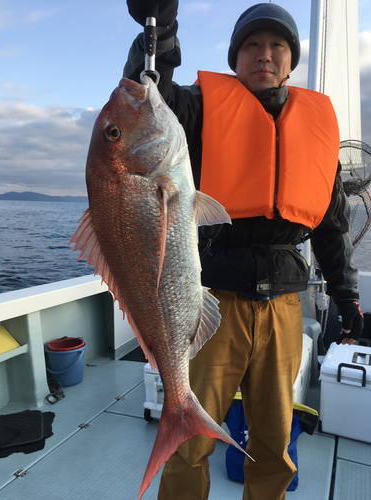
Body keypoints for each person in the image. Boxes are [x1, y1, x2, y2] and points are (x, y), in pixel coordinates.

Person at [124, 2, 364, 499]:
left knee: (274, 443)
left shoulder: (316, 127)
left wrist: (347, 298)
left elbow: (332, 224)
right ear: (235, 57)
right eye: (252, 45)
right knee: (190, 443)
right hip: (214, 303)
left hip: (283, 308)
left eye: (277, 45)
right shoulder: (197, 108)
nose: (265, 55)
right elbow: (147, 98)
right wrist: (161, 31)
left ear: (291, 59)